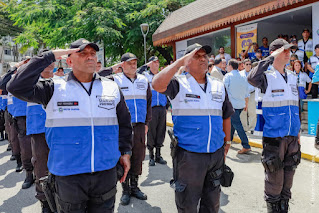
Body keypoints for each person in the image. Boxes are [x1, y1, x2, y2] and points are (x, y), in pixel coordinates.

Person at [7, 38, 133, 213]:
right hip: (68, 175)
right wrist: (49, 56)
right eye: (82, 53)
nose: (90, 57)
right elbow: (15, 86)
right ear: (69, 60)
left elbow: (125, 123)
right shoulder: (53, 87)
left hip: (105, 171)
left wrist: (126, 152)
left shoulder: (111, 87)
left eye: (92, 53)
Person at [152, 43, 233, 213]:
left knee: (212, 204)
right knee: (187, 204)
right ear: (187, 61)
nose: (203, 58)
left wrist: (227, 142)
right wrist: (179, 63)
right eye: (197, 56)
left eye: (205, 55)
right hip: (189, 156)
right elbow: (157, 84)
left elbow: (226, 114)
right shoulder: (178, 84)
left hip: (215, 154)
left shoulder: (218, 84)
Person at [248, 38, 301, 213]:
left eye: (290, 51)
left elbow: (296, 104)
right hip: (274, 137)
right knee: (274, 179)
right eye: (285, 50)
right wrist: (269, 58)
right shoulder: (265, 77)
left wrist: (298, 132)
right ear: (275, 53)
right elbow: (251, 78)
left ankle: (284, 208)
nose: (289, 53)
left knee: (288, 179)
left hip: (292, 136)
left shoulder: (293, 77)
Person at [112, 52, 152, 206]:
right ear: (122, 65)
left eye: (135, 62)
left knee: (138, 156)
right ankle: (125, 189)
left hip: (140, 125)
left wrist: (147, 122)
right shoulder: (115, 80)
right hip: (123, 127)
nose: (133, 65)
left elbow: (149, 101)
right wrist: (114, 68)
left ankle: (135, 186)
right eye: (129, 63)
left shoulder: (143, 80)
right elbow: (98, 74)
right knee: (124, 156)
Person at [25, 49, 55, 212]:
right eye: (43, 61)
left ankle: (60, 198)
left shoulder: (60, 81)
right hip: (38, 130)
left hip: (59, 130)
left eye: (51, 61)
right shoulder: (30, 83)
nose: (49, 64)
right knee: (41, 167)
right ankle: (44, 202)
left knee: (60, 166)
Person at [0, 60, 34, 189]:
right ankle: (28, 173)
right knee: (24, 146)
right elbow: (2, 84)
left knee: (40, 150)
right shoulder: (14, 80)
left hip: (38, 117)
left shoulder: (35, 76)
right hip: (19, 116)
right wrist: (15, 67)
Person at [143, 56, 167, 166]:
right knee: (151, 132)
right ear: (149, 64)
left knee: (161, 131)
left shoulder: (161, 75)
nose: (157, 64)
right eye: (154, 62)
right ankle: (151, 156)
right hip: (151, 108)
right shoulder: (145, 77)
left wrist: (167, 107)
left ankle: (158, 155)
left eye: (158, 62)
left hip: (161, 108)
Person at [224, 59, 251, 154]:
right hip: (240, 104)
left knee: (237, 124)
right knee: (233, 124)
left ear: (230, 66)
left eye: (227, 65)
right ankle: (228, 141)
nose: (227, 67)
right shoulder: (243, 76)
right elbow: (246, 92)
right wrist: (246, 103)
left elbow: (224, 91)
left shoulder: (228, 76)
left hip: (232, 105)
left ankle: (246, 145)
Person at [240, 59, 257, 133]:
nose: (248, 66)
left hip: (252, 94)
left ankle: (252, 127)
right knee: (243, 112)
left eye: (249, 64)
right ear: (243, 65)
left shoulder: (254, 73)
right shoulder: (240, 74)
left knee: (252, 111)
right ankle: (244, 128)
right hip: (243, 94)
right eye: (247, 64)